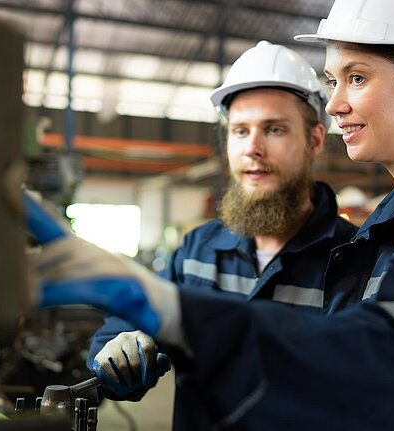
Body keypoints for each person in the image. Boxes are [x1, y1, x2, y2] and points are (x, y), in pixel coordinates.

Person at [28, 0, 394, 429]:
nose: (337, 103)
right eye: (333, 81)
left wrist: (178, 312)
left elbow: (387, 362)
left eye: (357, 78)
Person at [84, 41, 358, 429]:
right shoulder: (200, 250)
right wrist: (123, 349)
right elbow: (127, 326)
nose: (253, 149)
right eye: (240, 131)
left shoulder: (355, 259)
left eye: (274, 129)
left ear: (314, 139)